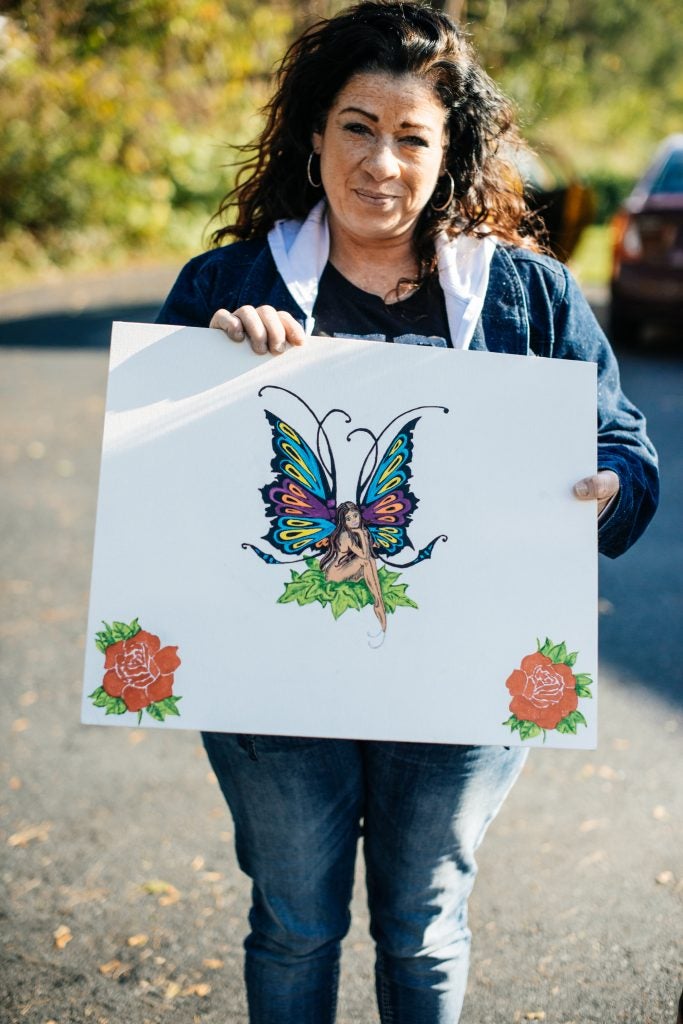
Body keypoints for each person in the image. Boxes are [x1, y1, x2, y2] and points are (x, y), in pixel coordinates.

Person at [156, 3, 659, 1021]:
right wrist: (206, 368)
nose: (378, 160)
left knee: (424, 923)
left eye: (409, 136)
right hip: (272, 688)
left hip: (460, 681)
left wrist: (605, 489)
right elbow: (157, 475)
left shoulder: (527, 298)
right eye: (355, 126)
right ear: (312, 135)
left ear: (446, 155)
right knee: (292, 919)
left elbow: (624, 450)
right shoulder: (227, 284)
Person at [321, 500, 387, 631]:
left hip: (347, 569)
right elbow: (364, 555)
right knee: (367, 561)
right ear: (343, 522)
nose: (354, 521)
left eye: (355, 516)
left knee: (370, 562)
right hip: (336, 573)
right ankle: (378, 602)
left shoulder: (357, 532)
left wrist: (367, 538)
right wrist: (362, 534)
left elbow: (365, 551)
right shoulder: (346, 535)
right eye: (348, 519)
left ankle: (379, 602)